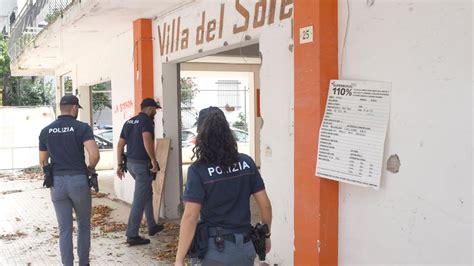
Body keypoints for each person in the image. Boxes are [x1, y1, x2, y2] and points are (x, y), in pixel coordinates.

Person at [175, 107, 273, 266]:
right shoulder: (246, 163)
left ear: (201, 135)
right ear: (227, 132)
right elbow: (266, 205)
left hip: (215, 251)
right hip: (246, 248)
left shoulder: (198, 171)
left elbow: (190, 217)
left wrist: (179, 258)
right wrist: (266, 236)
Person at [38, 95, 100, 266]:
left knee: (64, 229)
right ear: (74, 109)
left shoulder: (46, 130)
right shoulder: (82, 128)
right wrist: (90, 169)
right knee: (83, 225)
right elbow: (94, 155)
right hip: (78, 180)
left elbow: (43, 161)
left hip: (57, 183)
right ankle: (84, 263)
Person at [116, 98, 164, 246]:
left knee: (146, 194)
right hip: (142, 165)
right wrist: (154, 160)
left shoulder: (130, 122)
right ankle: (132, 235)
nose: (156, 112)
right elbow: (146, 140)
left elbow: (120, 145)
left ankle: (152, 225)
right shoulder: (147, 122)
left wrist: (119, 164)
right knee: (139, 200)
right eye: (155, 109)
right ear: (149, 108)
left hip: (130, 164)